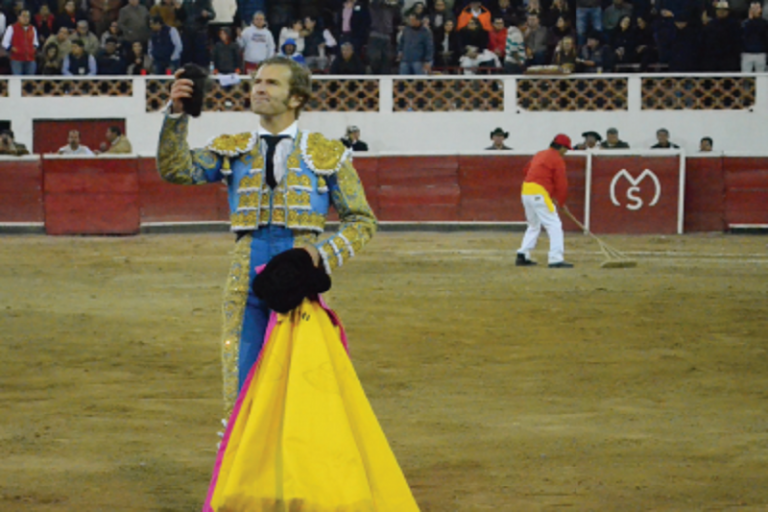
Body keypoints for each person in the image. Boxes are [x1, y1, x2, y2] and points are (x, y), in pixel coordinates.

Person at [157, 55, 377, 416]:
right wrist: (176, 115)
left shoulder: (327, 153)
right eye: (257, 81)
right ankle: (243, 463)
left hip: (299, 268)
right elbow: (177, 169)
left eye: (272, 83)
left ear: (296, 99)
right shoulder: (234, 148)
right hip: (245, 267)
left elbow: (362, 221)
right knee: (243, 370)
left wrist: (318, 255)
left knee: (300, 376)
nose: (259, 87)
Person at [516, 134, 574, 268]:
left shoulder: (540, 154)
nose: (566, 153)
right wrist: (561, 202)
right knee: (554, 224)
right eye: (566, 149)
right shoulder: (557, 159)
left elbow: (526, 170)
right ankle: (555, 258)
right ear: (561, 147)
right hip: (539, 193)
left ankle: (523, 254)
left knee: (533, 224)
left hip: (526, 190)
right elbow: (561, 183)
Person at [2, 9, 39, 75]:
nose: (26, 18)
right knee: (17, 79)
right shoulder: (11, 28)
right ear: (19, 17)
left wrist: (33, 49)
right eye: (24, 16)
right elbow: (5, 42)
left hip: (30, 59)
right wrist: (12, 49)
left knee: (29, 81)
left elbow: (35, 42)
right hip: (16, 59)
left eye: (27, 17)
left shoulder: (33, 29)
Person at [742, 1, 768, 72]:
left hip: (760, 53)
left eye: (757, 8)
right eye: (753, 8)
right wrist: (750, 20)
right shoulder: (745, 23)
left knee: (761, 76)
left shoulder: (764, 23)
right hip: (747, 53)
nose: (755, 10)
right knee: (746, 76)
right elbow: (744, 35)